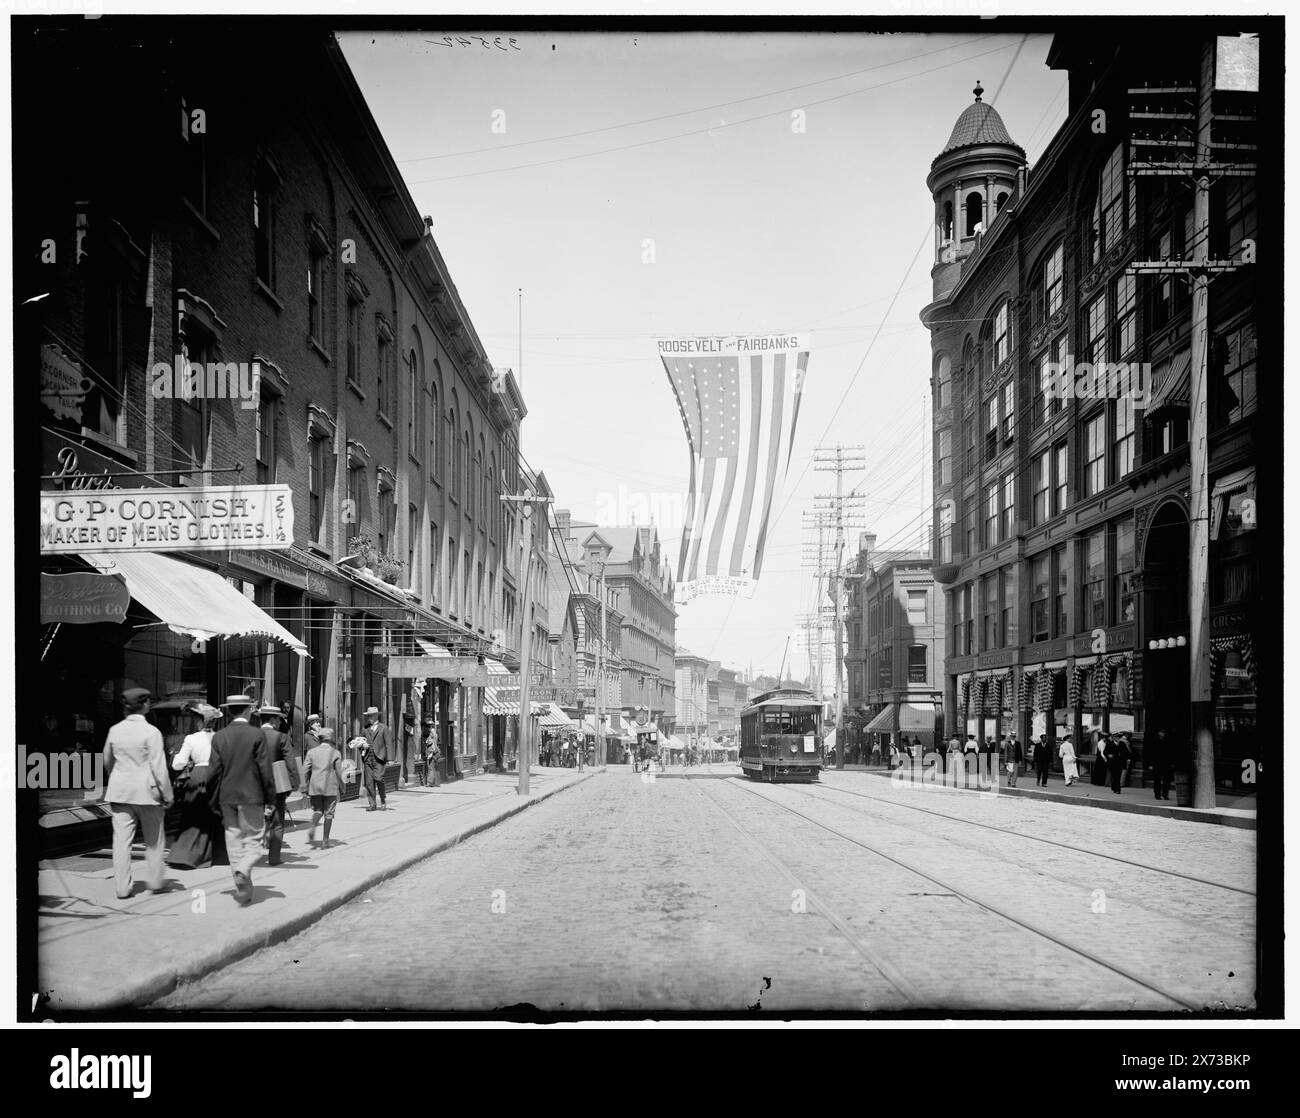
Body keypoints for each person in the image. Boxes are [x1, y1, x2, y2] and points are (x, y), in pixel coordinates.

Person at [103, 687, 174, 899]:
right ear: (145, 705)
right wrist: (167, 795)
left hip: (120, 792)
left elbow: (107, 760)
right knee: (154, 840)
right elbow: (159, 768)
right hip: (148, 794)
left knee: (121, 842)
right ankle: (155, 881)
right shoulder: (151, 732)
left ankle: (122, 888)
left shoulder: (114, 730)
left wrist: (116, 778)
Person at [207, 694, 275, 906]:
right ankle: (243, 870)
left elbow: (213, 773)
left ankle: (244, 891)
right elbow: (265, 770)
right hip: (252, 796)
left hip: (227, 797)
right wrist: (271, 798)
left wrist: (213, 799)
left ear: (229, 711)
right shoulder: (256, 734)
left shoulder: (219, 736)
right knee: (254, 840)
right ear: (246, 710)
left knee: (234, 842)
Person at [168, 702, 225, 869]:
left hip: (199, 775)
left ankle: (187, 855)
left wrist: (175, 758)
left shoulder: (191, 739)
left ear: (200, 721)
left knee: (193, 814)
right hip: (217, 775)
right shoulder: (220, 737)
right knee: (215, 814)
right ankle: (217, 855)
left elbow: (178, 764)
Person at [259, 705, 296, 865]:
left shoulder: (252, 735)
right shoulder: (281, 737)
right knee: (277, 822)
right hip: (275, 786)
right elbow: (290, 764)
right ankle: (274, 858)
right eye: (279, 719)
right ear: (273, 719)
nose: (281, 722)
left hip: (251, 785)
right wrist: (293, 784)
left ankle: (248, 857)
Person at [302, 726, 344, 849]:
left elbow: (304, 770)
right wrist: (342, 786)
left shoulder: (311, 752)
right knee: (329, 814)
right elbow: (339, 772)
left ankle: (313, 826)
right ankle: (325, 841)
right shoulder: (335, 753)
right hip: (330, 786)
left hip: (315, 786)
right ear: (330, 739)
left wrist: (304, 786)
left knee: (318, 810)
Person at [361, 706, 392, 811]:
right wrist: (362, 746)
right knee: (369, 782)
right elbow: (359, 742)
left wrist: (390, 759)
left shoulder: (383, 728)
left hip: (379, 758)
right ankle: (372, 804)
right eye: (368, 716)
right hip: (368, 758)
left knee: (378, 778)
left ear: (376, 716)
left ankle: (383, 799)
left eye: (371, 715)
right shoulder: (365, 729)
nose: (369, 718)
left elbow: (388, 743)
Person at [1147, 728, 1171, 800]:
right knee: (1157, 780)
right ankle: (1157, 794)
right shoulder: (1154, 742)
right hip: (1156, 764)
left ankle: (1165, 794)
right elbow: (1151, 754)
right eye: (1161, 732)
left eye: (1163, 732)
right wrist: (1150, 764)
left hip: (1166, 764)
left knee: (1166, 780)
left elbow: (1170, 753)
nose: (1163, 734)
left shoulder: (1168, 741)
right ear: (1158, 733)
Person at [422, 718, 442, 787]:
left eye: (427, 727)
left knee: (430, 767)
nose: (426, 729)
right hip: (436, 752)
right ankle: (437, 783)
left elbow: (432, 745)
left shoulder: (431, 735)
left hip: (433, 752)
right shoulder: (435, 733)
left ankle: (430, 782)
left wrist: (430, 754)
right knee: (435, 768)